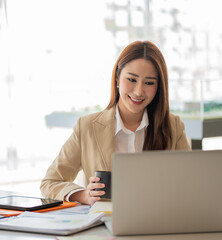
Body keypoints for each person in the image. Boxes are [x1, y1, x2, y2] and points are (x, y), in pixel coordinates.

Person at [40, 40, 191, 205]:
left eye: (149, 83)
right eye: (132, 80)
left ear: (159, 87)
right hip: (107, 225)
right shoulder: (87, 127)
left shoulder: (173, 126)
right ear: (117, 78)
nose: (139, 91)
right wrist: (85, 195)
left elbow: (191, 183)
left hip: (159, 222)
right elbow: (50, 182)